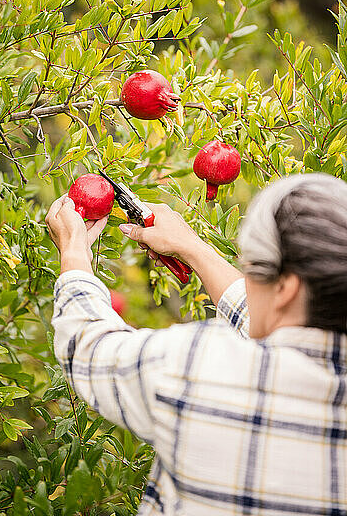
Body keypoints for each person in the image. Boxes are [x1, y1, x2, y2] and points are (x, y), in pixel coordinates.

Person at [45, 173, 347, 516]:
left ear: (285, 290)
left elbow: (88, 349)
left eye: (252, 271)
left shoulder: (201, 367)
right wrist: (191, 247)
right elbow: (275, 323)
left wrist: (73, 254)